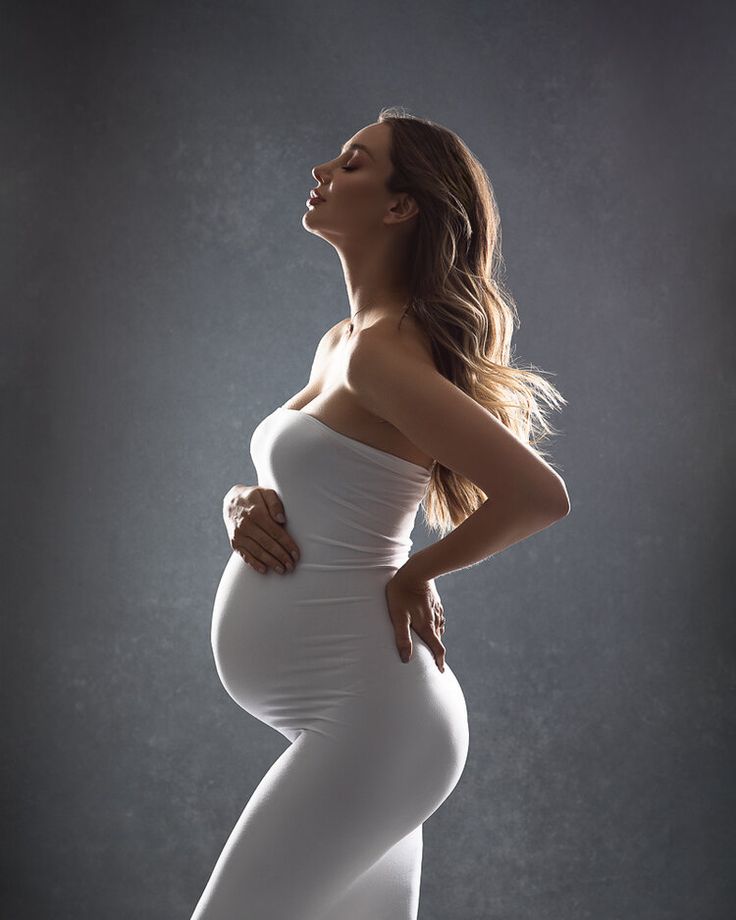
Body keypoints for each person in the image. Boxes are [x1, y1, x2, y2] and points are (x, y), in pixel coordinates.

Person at [191, 107, 570, 920]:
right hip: (360, 724)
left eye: (354, 163)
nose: (324, 169)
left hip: (373, 723)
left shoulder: (379, 351)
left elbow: (539, 496)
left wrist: (418, 571)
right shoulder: (344, 340)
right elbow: (322, 475)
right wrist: (240, 502)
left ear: (402, 207)